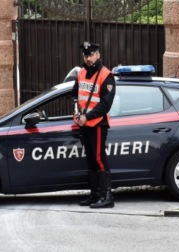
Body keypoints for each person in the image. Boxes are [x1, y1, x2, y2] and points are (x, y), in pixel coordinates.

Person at [72, 41, 116, 208]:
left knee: (99, 159)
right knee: (91, 159)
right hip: (84, 123)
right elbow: (74, 94)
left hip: (97, 123)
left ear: (98, 55)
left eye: (91, 55)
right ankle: (95, 195)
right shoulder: (82, 72)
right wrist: (76, 109)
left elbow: (105, 105)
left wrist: (87, 117)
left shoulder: (106, 76)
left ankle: (107, 197)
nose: (88, 58)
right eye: (86, 55)